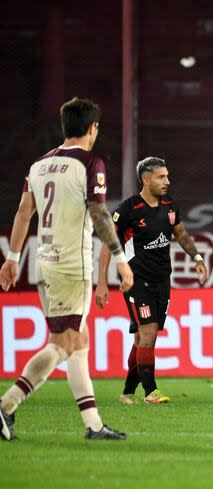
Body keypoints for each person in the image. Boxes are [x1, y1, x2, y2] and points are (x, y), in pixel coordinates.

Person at [0, 97, 131, 441]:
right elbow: (100, 214)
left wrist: (12, 259)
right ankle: (7, 405)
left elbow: (23, 212)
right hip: (73, 265)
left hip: (44, 263)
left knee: (79, 341)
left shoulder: (39, 165)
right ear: (93, 128)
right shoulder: (90, 162)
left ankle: (93, 425)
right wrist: (120, 258)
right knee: (62, 343)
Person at [95, 157, 208, 405]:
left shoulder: (170, 205)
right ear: (146, 180)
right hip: (135, 281)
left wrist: (197, 257)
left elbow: (182, 234)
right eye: (161, 177)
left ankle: (127, 392)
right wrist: (101, 282)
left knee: (141, 340)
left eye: (167, 176)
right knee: (149, 332)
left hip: (161, 281)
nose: (167, 181)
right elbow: (107, 245)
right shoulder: (128, 209)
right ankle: (151, 392)